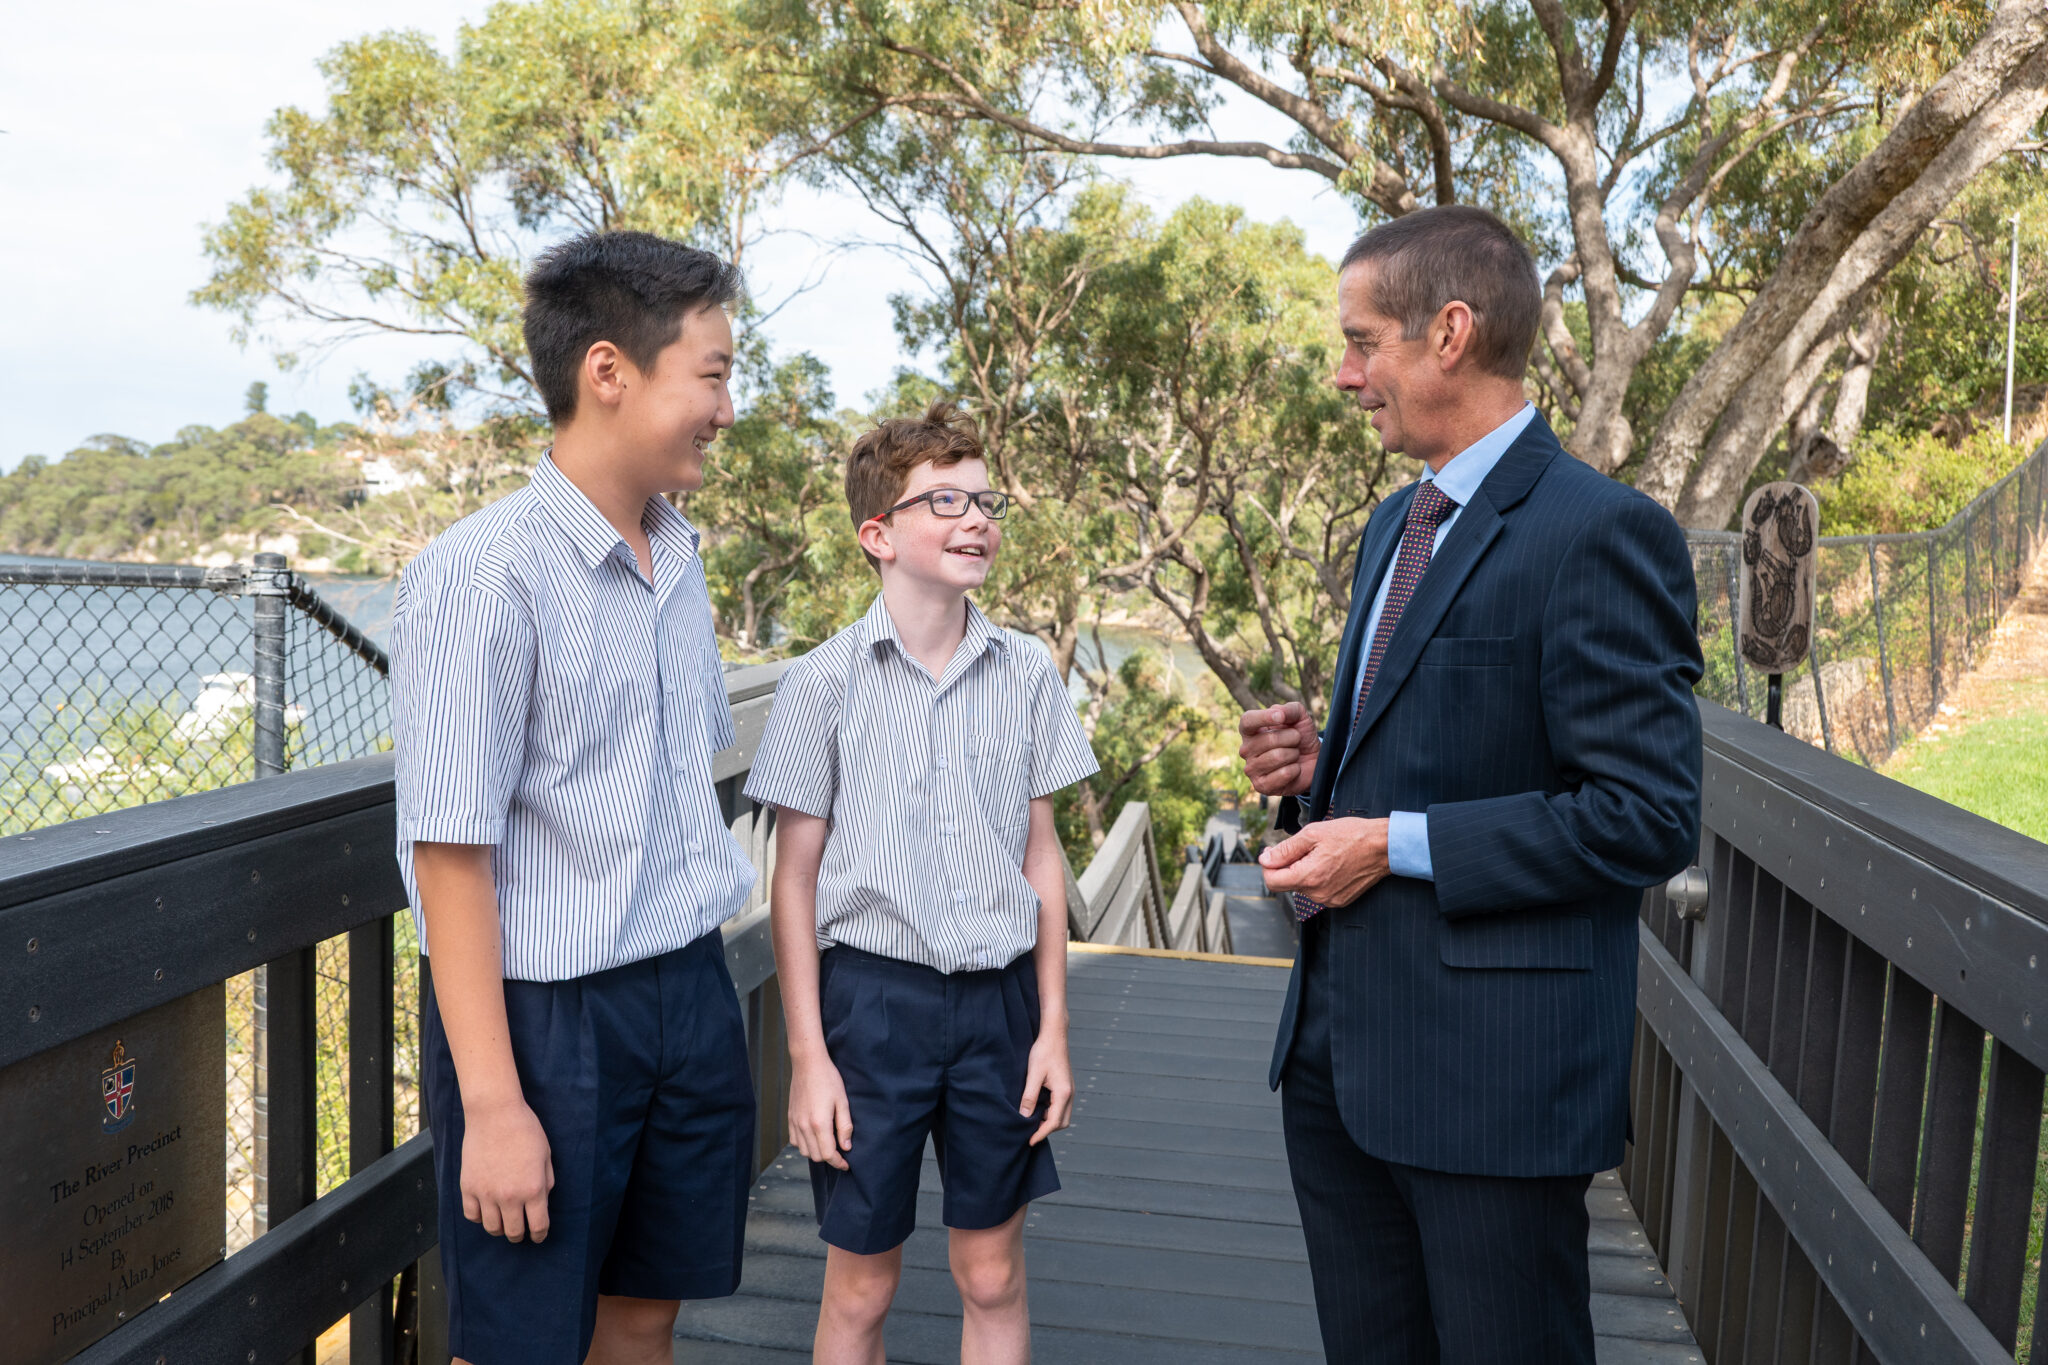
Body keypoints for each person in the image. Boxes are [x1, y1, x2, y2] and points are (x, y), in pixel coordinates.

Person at [1238, 205, 1704, 1363]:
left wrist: (1386, 842)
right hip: (1336, 1066)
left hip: (1490, 1086)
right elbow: (1422, 748)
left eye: (1361, 343)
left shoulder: (1602, 532)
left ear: (1447, 332)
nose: (1345, 376)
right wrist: (1314, 774)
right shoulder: (1393, 523)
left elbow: (1643, 815)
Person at [390, 231, 759, 1365]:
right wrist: (496, 1109)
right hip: (549, 1018)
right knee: (519, 1341)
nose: (727, 406)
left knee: (645, 1313)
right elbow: (449, 853)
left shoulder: (676, 556)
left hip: (687, 985)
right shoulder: (483, 575)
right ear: (610, 371)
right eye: (711, 373)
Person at [743, 402, 1099, 1365]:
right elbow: (795, 875)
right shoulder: (823, 680)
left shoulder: (1026, 671)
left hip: (1000, 1007)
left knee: (993, 1275)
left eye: (986, 500)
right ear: (879, 534)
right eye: (945, 499)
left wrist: (1053, 1030)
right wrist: (808, 1059)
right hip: (873, 1007)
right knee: (862, 1286)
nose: (977, 517)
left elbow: (1042, 858)